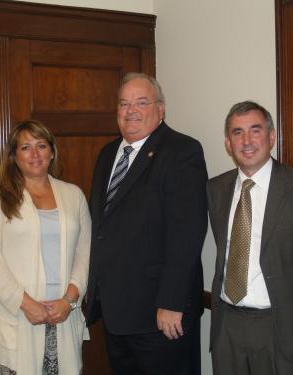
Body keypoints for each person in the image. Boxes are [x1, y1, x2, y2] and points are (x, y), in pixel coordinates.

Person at [86, 72, 208, 375]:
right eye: (123, 104)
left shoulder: (182, 152)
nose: (131, 111)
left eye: (141, 102)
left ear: (161, 108)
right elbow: (102, 228)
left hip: (159, 314)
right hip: (116, 310)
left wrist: (172, 302)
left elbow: (187, 235)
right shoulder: (107, 154)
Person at [207, 101, 293, 375]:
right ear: (228, 143)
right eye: (237, 132)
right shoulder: (216, 188)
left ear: (272, 136)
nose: (247, 141)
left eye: (255, 130)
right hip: (227, 324)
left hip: (277, 325)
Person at [0, 120, 91, 375]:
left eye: (41, 146)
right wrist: (25, 303)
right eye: (26, 147)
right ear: (14, 155)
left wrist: (69, 300)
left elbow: (85, 253)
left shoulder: (74, 195)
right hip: (12, 317)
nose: (35, 154)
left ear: (52, 151)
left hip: (62, 318)